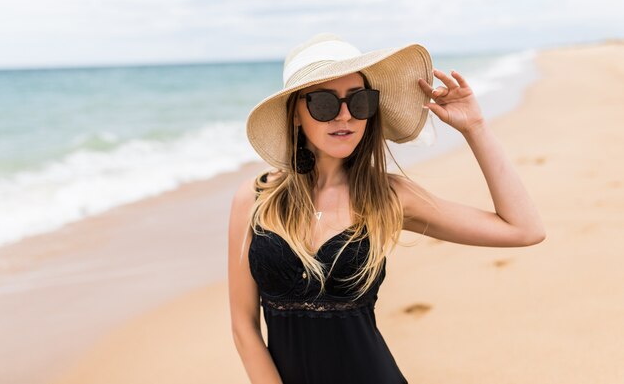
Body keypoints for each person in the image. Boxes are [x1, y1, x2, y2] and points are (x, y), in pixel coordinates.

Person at [228, 33, 546, 384]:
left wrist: (475, 128)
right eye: (324, 104)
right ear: (296, 114)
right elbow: (244, 326)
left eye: (360, 102)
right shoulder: (256, 198)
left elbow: (524, 229)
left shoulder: (389, 196)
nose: (345, 116)